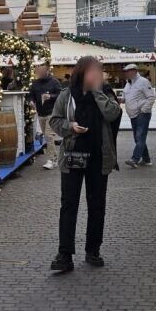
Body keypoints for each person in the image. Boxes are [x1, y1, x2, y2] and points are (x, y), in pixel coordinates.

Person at [48, 56, 121, 273]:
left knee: (97, 205)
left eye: (98, 71)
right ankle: (64, 254)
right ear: (81, 72)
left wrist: (97, 92)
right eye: (92, 71)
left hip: (99, 157)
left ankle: (93, 249)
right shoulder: (67, 94)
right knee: (68, 205)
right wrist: (70, 126)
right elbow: (55, 120)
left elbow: (113, 113)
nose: (96, 74)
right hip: (73, 156)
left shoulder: (105, 93)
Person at [28, 63, 63, 169]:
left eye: (41, 71)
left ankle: (52, 160)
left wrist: (50, 96)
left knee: (48, 135)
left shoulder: (54, 82)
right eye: (38, 71)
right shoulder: (35, 83)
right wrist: (31, 101)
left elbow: (60, 95)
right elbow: (30, 96)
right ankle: (55, 159)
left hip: (52, 112)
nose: (39, 73)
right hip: (41, 113)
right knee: (47, 136)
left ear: (47, 71)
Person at [121, 63, 156, 167]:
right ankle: (146, 160)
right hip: (133, 115)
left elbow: (151, 97)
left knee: (139, 136)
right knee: (138, 138)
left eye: (128, 71)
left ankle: (134, 159)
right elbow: (124, 97)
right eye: (126, 72)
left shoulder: (143, 81)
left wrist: (143, 110)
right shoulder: (128, 83)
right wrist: (120, 100)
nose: (126, 73)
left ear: (134, 71)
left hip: (142, 114)